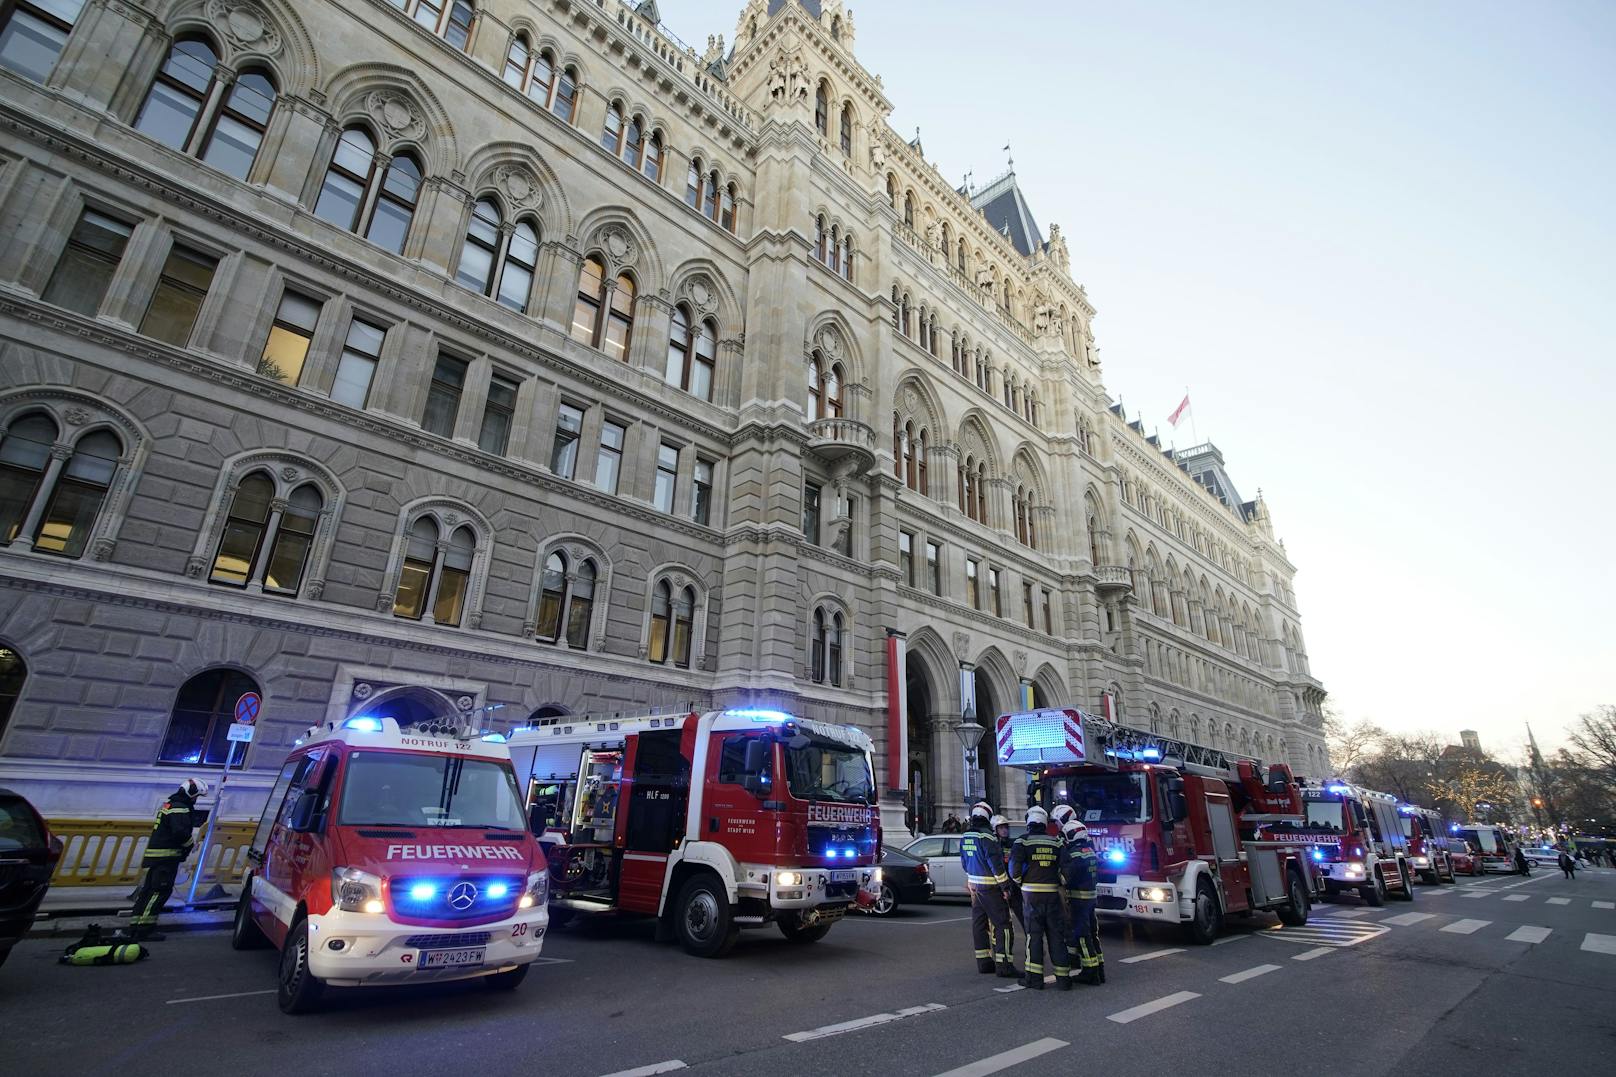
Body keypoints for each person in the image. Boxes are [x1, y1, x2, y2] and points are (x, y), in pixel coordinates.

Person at [126, 778, 208, 941]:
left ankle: (136, 925)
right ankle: (144, 929)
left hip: (158, 856)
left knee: (148, 891)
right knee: (159, 892)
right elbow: (180, 833)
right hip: (166, 858)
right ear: (190, 794)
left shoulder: (170, 805)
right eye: (196, 796)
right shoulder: (180, 809)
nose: (195, 800)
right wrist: (190, 844)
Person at [1009, 806, 1072, 991]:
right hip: (1052, 894)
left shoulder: (1022, 842)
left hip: (1031, 895)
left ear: (1029, 824)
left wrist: (1022, 882)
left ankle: (1035, 980)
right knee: (1056, 936)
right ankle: (1063, 980)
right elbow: (1067, 869)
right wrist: (1058, 881)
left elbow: (1014, 868)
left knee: (1034, 937)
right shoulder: (1056, 842)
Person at [959, 802, 1016, 977]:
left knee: (979, 925)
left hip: (974, 886)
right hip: (990, 887)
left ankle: (984, 963)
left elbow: (964, 863)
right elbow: (996, 865)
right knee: (1003, 925)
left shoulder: (966, 836)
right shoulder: (988, 838)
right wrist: (1005, 887)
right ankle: (1004, 965)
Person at [1061, 819, 1105, 985]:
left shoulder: (1074, 855)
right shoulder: (1090, 851)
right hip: (1091, 898)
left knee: (1082, 936)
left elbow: (1067, 878)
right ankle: (1100, 968)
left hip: (1078, 899)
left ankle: (1090, 971)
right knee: (1093, 935)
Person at [992, 814, 1025, 941]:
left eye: (1005, 827)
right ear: (995, 830)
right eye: (1001, 828)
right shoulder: (993, 846)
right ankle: (1003, 945)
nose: (1004, 830)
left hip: (1014, 886)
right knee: (1001, 919)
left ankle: (1031, 943)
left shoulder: (1013, 844)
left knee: (1022, 916)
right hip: (1000, 887)